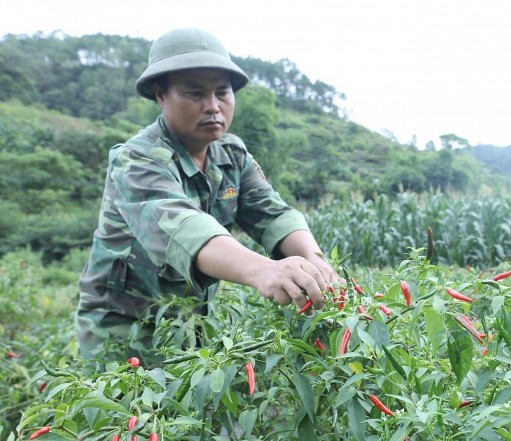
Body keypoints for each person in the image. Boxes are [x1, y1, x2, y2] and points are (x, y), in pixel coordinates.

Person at [75, 28, 341, 367]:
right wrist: (263, 271)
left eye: (222, 92)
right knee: (134, 416)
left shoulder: (232, 153)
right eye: (195, 93)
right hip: (124, 331)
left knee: (199, 412)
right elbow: (183, 228)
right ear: (161, 95)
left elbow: (273, 213)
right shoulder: (136, 160)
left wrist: (313, 257)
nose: (213, 106)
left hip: (194, 321)